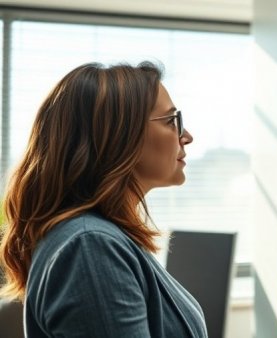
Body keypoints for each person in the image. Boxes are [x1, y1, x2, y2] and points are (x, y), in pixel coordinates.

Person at [0, 62, 207, 337]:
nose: (187, 136)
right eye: (171, 121)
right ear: (119, 136)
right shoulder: (89, 246)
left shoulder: (102, 238)